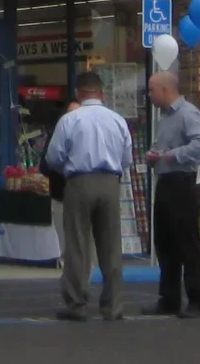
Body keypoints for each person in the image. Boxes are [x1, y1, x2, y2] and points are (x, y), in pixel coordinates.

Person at [42, 71, 133, 322]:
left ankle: (77, 303)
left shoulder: (70, 120)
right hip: (110, 182)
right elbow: (126, 158)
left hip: (79, 181)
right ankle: (113, 306)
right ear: (102, 93)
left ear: (78, 94)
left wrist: (69, 171)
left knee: (78, 245)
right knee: (111, 246)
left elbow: (53, 158)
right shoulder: (117, 120)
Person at [146, 70, 200, 317]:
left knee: (187, 242)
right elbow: (162, 148)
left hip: (183, 182)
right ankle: (169, 299)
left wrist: (172, 155)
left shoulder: (188, 114)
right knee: (165, 243)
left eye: (152, 90)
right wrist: (154, 156)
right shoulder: (164, 118)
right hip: (165, 180)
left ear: (165, 90)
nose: (150, 95)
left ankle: (197, 301)